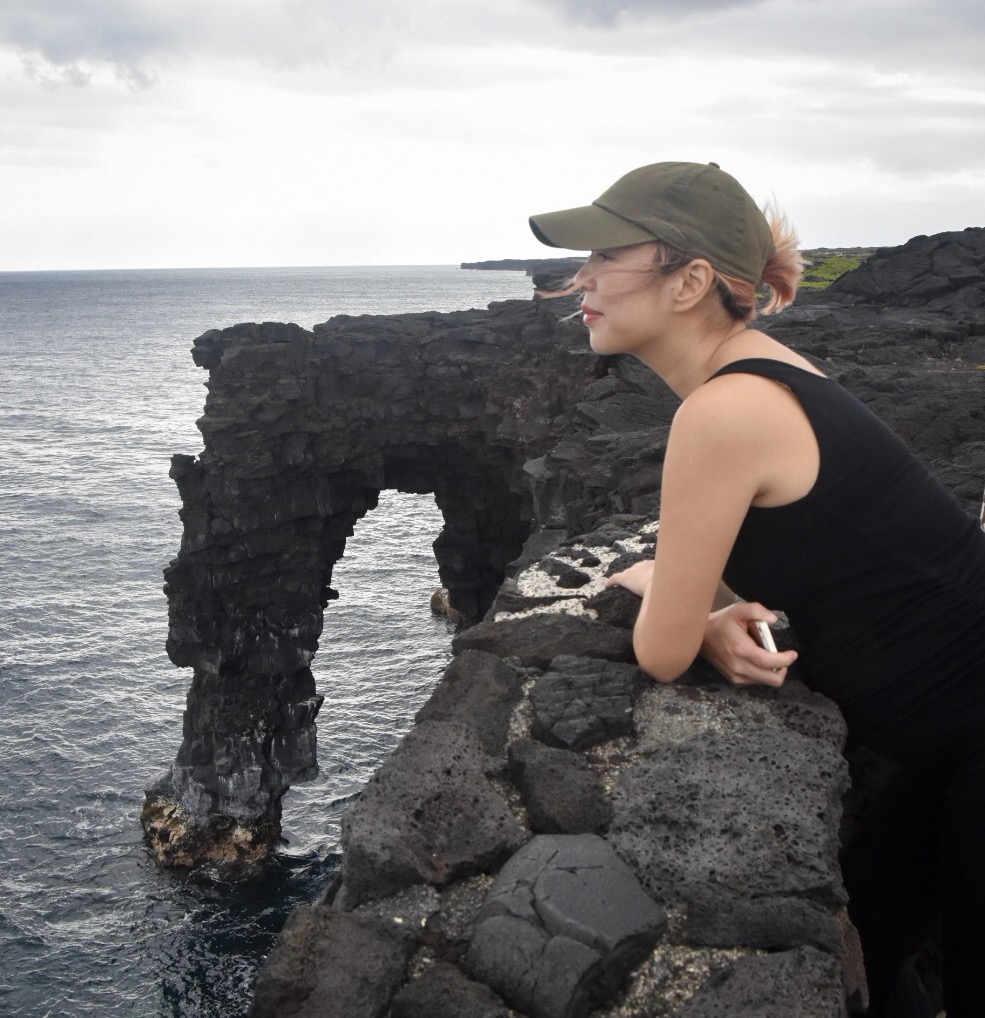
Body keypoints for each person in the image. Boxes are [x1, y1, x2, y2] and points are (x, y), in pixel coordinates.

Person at [528, 161, 985, 1018]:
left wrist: (677, 605)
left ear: (690, 281)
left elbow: (660, 650)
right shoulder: (762, 371)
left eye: (603, 256)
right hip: (952, 737)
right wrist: (689, 597)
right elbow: (774, 556)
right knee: (873, 947)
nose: (577, 279)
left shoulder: (722, 411)